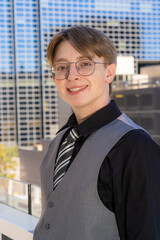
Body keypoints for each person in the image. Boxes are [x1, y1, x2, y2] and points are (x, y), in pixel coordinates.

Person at [33, 26, 160, 240]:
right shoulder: (59, 140)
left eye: (85, 64)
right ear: (55, 77)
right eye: (62, 67)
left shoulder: (135, 146)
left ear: (109, 73)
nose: (72, 75)